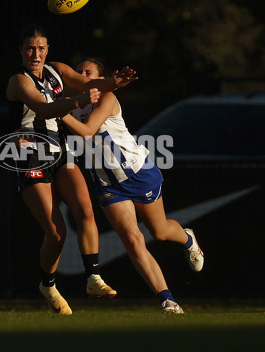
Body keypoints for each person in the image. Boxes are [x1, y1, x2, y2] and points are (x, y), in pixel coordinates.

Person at [5, 25, 138, 315]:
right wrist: (77, 101)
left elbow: (89, 84)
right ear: (21, 51)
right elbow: (45, 109)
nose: (35, 53)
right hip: (30, 154)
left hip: (61, 151)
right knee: (56, 233)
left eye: (41, 48)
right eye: (29, 48)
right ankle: (48, 284)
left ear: (48, 49)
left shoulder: (58, 70)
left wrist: (113, 82)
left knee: (86, 211)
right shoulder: (18, 80)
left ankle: (93, 278)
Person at [61, 57, 204, 314]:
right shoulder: (72, 106)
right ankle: (168, 301)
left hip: (138, 174)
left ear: (100, 78)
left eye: (89, 71)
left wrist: (59, 111)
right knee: (133, 240)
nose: (82, 75)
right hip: (108, 185)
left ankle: (187, 238)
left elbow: (87, 131)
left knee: (158, 231)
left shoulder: (107, 98)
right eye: (79, 72)